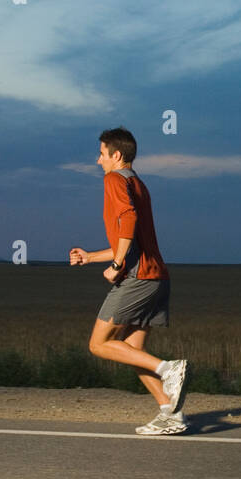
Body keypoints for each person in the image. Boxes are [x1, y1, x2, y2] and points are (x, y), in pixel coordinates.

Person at [69, 127, 189, 435]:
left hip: (137, 278)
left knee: (98, 344)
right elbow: (131, 238)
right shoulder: (138, 184)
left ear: (116, 155)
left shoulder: (114, 180)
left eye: (101, 154)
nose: (98, 161)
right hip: (157, 277)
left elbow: (129, 222)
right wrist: (91, 257)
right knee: (133, 352)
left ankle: (169, 369)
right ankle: (170, 414)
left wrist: (116, 264)